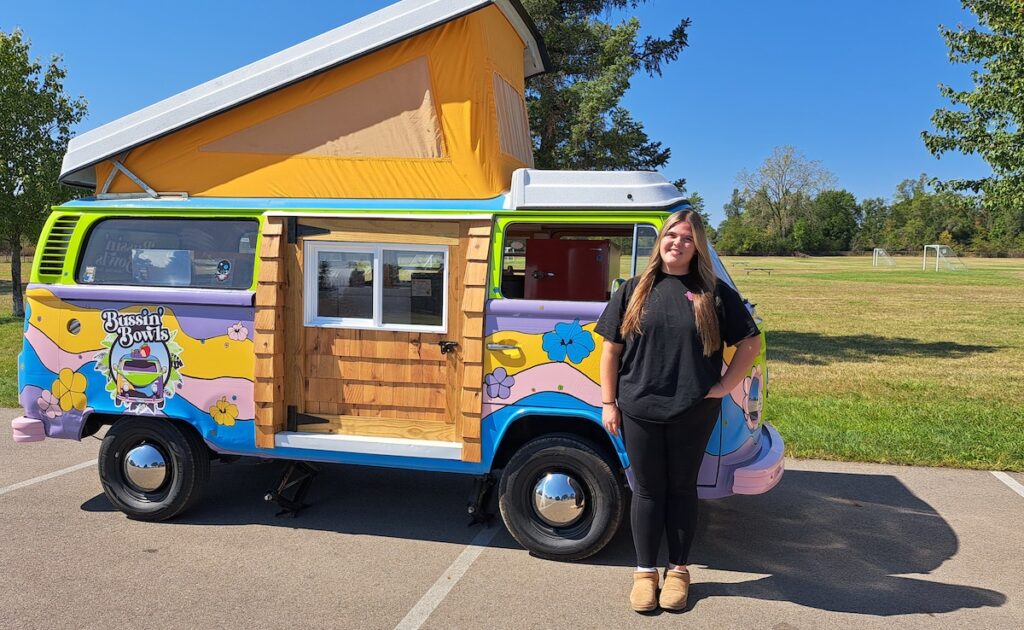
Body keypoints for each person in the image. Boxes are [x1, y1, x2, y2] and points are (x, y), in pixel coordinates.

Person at [594, 209, 761, 613]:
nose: (677, 243)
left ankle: (679, 571)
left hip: (693, 410)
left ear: (696, 245)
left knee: (683, 489)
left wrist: (723, 387)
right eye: (672, 235)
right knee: (647, 490)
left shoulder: (715, 293)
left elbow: (750, 345)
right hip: (639, 408)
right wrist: (608, 402)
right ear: (661, 240)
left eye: (687, 238)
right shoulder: (634, 289)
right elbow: (611, 350)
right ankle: (645, 574)